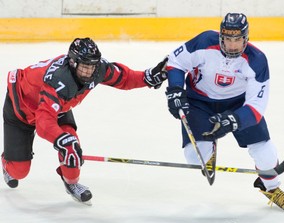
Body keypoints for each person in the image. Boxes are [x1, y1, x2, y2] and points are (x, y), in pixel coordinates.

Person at [2, 37, 168, 205]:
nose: (89, 72)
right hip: (21, 110)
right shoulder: (59, 80)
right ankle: (7, 160)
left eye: (92, 66)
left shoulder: (98, 68)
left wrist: (147, 77)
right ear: (73, 63)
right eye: (85, 67)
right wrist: (61, 140)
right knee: (19, 172)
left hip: (58, 107)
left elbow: (124, 78)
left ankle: (71, 183)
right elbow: (44, 122)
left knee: (71, 147)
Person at [165, 13, 284, 211]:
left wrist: (234, 120)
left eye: (238, 39)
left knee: (266, 154)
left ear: (246, 38)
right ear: (221, 37)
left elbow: (256, 106)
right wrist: (175, 90)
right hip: (198, 103)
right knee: (195, 157)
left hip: (237, 105)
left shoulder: (257, 60)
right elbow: (175, 62)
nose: (232, 45)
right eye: (228, 39)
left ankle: (270, 187)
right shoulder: (204, 41)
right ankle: (210, 150)